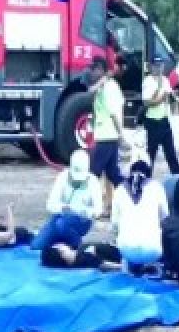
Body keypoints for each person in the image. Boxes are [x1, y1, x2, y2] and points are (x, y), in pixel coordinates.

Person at [31, 149, 102, 251]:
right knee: (36, 246)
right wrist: (62, 207)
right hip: (60, 216)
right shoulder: (62, 177)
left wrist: (87, 212)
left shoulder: (93, 181)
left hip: (81, 221)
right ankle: (62, 240)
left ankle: (76, 243)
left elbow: (98, 209)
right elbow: (50, 205)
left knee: (61, 225)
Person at [110, 159, 169, 273]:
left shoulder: (119, 190)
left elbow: (114, 225)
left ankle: (128, 269)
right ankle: (154, 268)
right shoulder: (157, 187)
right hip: (153, 252)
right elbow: (166, 218)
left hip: (126, 250)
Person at [87, 57, 126, 219]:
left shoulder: (109, 87)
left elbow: (114, 113)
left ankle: (93, 207)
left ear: (101, 70)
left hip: (107, 136)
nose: (91, 72)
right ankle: (131, 197)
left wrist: (121, 135)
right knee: (112, 173)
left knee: (94, 174)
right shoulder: (104, 86)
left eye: (94, 69)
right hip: (105, 135)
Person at [142, 58, 179, 175]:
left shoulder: (165, 80)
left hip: (164, 121)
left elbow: (169, 97)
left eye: (160, 65)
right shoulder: (147, 81)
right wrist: (159, 90)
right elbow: (148, 102)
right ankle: (145, 180)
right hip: (153, 122)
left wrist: (174, 99)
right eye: (156, 66)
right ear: (151, 67)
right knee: (151, 154)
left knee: (171, 154)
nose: (159, 68)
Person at [40, 242, 124, 271]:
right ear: (62, 253)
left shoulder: (77, 253)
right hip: (121, 254)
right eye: (59, 246)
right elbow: (103, 265)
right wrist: (123, 266)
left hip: (114, 250)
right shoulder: (84, 258)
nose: (60, 245)